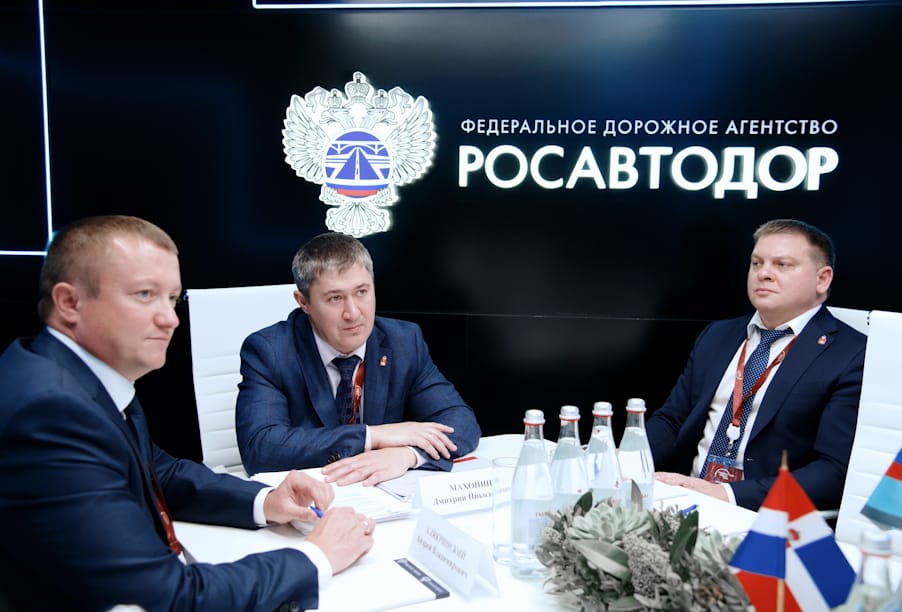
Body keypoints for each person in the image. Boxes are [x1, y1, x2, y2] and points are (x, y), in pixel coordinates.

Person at [0, 215, 375, 611]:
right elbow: (168, 598)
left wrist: (266, 501)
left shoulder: (73, 378)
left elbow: (160, 474)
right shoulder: (49, 411)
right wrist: (316, 557)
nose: (170, 319)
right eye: (145, 294)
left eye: (171, 298)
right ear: (70, 302)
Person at [648, 219, 866, 511]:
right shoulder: (718, 335)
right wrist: (626, 463)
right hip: (686, 501)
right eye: (756, 263)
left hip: (764, 516)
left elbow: (832, 472)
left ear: (822, 279)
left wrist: (726, 494)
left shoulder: (852, 355)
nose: (764, 273)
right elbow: (672, 420)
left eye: (782, 265)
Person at [236, 232, 481, 485]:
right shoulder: (270, 351)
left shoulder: (404, 341)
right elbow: (260, 448)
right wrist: (372, 437)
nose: (353, 313)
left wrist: (409, 455)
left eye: (361, 292)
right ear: (304, 302)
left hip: (381, 492)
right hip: (311, 492)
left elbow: (460, 421)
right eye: (335, 298)